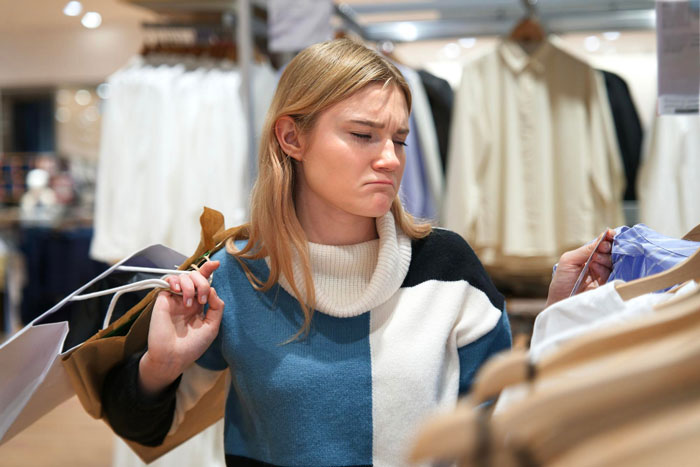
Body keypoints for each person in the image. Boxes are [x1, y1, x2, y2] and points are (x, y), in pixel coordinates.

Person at [101, 38, 614, 467]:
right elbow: (144, 432)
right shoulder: (234, 274)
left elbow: (505, 419)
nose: (390, 159)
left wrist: (558, 316)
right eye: (363, 135)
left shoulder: (447, 268)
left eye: (399, 138)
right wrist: (161, 363)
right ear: (291, 137)